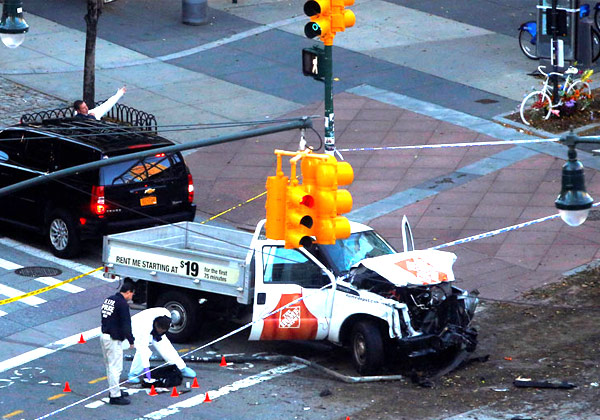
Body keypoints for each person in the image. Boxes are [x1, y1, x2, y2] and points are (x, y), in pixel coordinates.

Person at [127, 307, 196, 384]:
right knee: (144, 352)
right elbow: (143, 350)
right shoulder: (145, 327)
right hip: (136, 330)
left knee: (166, 347)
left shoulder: (167, 317)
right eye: (159, 330)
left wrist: (159, 333)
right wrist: (147, 371)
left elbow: (162, 337)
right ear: (156, 325)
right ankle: (133, 374)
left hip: (153, 328)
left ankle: (181, 368)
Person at [100, 280, 135, 405]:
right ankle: (115, 396)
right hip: (113, 339)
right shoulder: (122, 304)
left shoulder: (109, 300)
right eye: (132, 294)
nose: (131, 297)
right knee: (116, 368)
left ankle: (114, 390)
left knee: (110, 367)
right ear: (128, 292)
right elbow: (126, 324)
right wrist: (131, 340)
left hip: (104, 335)